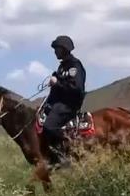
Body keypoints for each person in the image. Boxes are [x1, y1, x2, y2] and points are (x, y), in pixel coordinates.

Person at [41, 35, 86, 169]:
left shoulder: (74, 66)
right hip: (59, 104)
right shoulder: (62, 67)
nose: (55, 52)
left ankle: (64, 156)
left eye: (57, 49)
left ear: (64, 49)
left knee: (49, 126)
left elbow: (77, 89)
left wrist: (57, 83)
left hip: (69, 105)